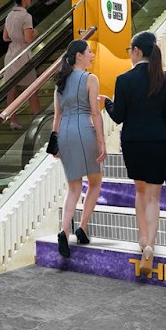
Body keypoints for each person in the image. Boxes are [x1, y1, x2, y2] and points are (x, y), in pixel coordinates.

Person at [101, 32, 166, 276]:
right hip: (158, 143)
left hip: (133, 144)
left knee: (140, 192)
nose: (129, 54)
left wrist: (107, 102)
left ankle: (142, 239)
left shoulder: (124, 79)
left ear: (137, 51)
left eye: (130, 49)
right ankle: (150, 243)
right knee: (153, 195)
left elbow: (118, 116)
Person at [52, 40, 106, 259]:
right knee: (95, 182)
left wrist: (55, 142)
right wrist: (101, 141)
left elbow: (57, 117)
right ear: (79, 56)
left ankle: (64, 231)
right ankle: (82, 227)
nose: (92, 55)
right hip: (84, 131)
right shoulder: (90, 79)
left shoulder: (60, 83)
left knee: (73, 187)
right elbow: (95, 113)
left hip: (64, 133)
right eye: (90, 52)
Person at [1, 0, 38, 129]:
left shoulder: (9, 15)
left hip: (10, 56)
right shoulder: (26, 16)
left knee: (12, 89)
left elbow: (5, 37)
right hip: (23, 56)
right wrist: (35, 32)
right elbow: (28, 39)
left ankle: (13, 121)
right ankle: (38, 119)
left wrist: (15, 36)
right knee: (32, 89)